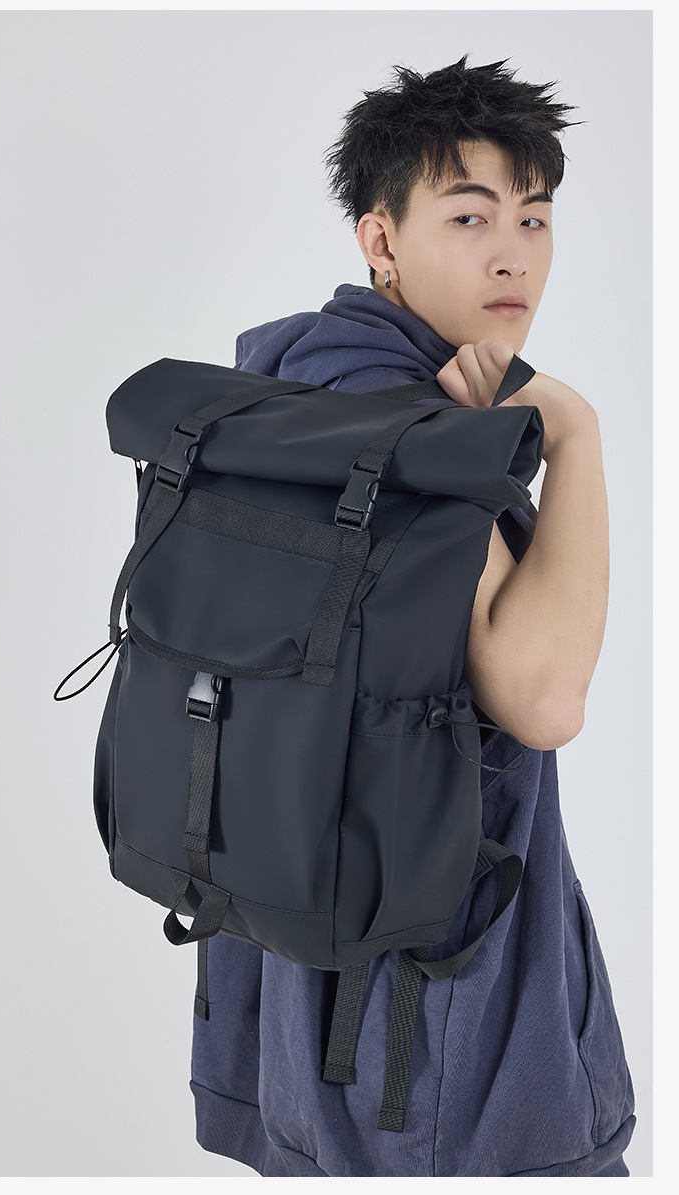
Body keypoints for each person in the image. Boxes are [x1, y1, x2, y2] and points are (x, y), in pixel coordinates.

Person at [189, 55, 637, 1177]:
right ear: (379, 239)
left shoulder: (289, 390)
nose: (512, 254)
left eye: (534, 217)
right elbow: (540, 698)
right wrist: (575, 434)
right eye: (469, 215)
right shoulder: (404, 432)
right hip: (436, 1037)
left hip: (306, 987)